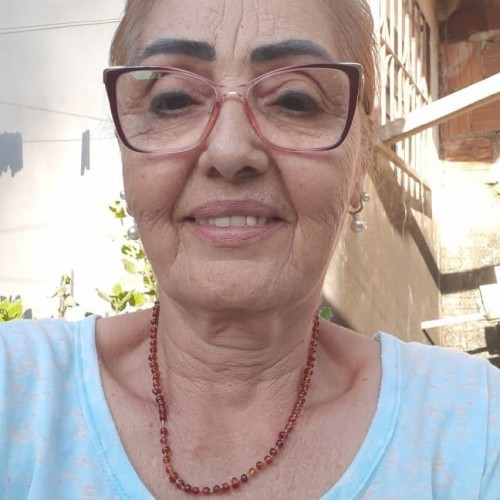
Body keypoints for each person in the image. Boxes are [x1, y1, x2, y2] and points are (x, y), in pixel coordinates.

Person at [1, 0, 499, 498]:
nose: (229, 150)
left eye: (294, 101)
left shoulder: (471, 431)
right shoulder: (17, 392)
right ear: (127, 158)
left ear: (361, 157)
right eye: (174, 100)